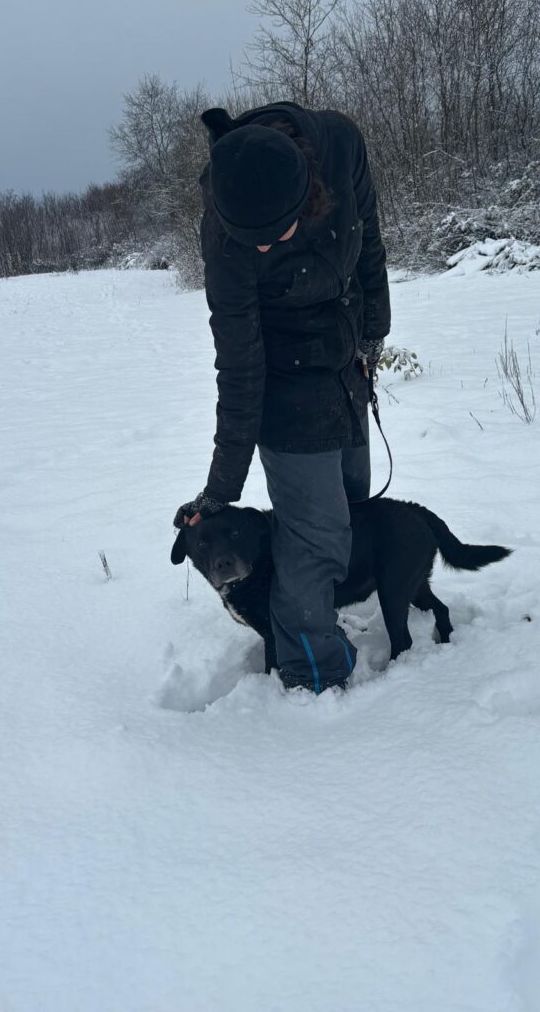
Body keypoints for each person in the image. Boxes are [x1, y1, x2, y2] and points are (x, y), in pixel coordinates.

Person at [173, 101, 390, 694]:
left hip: (343, 363)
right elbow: (239, 367)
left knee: (351, 503)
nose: (264, 250)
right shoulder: (226, 238)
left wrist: (373, 335)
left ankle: (331, 614)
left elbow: (369, 246)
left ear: (309, 194)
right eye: (254, 242)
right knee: (314, 534)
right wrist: (221, 489)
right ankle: (312, 673)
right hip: (282, 385)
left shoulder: (340, 144)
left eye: (275, 235)